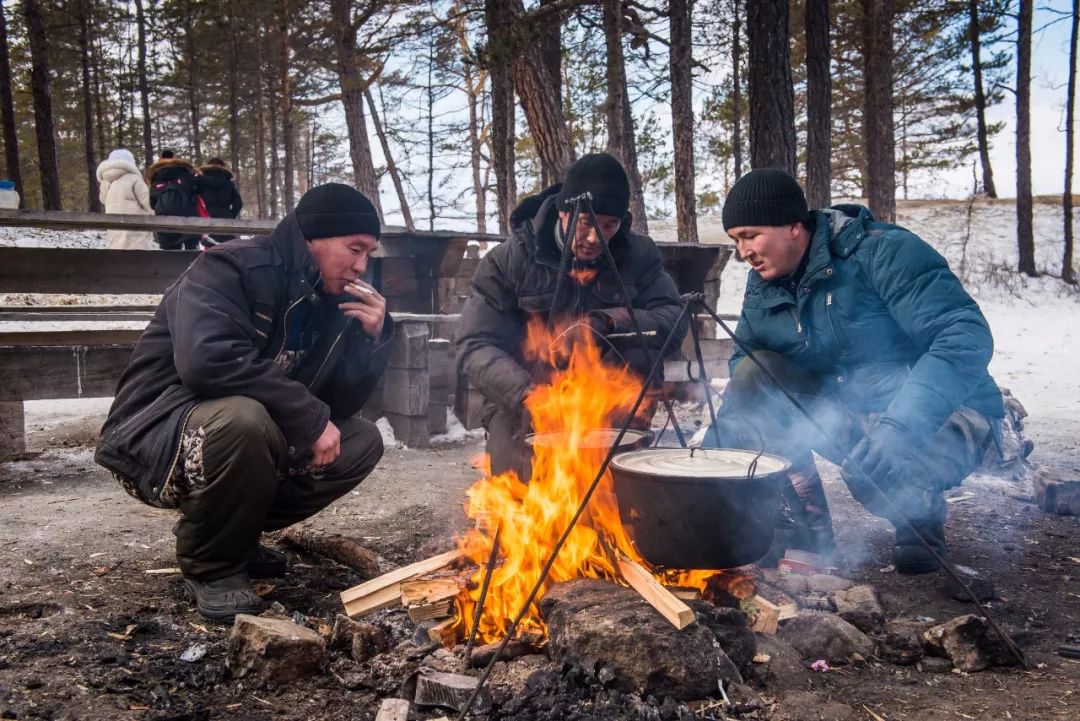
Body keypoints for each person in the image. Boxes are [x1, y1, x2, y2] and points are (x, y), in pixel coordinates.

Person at [96, 183, 394, 620]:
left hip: (240, 437)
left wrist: (371, 341)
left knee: (361, 441)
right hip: (158, 436)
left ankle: (231, 533)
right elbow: (207, 362)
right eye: (355, 249)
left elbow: (339, 407)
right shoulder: (231, 266)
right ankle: (212, 566)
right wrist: (309, 417)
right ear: (313, 236)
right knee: (243, 418)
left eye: (369, 254)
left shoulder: (331, 303)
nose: (361, 266)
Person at [708, 168, 1005, 574]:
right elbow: (747, 378)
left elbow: (965, 336)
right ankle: (807, 530)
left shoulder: (883, 252)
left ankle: (917, 512)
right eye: (735, 240)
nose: (743, 251)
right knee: (757, 376)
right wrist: (706, 468)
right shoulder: (763, 284)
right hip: (853, 412)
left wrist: (900, 427)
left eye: (750, 235)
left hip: (944, 413)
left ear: (794, 226)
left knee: (877, 476)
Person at [456, 152, 687, 478]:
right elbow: (474, 345)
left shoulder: (638, 255)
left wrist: (609, 320)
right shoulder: (509, 260)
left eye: (609, 226)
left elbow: (673, 318)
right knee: (517, 481)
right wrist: (529, 395)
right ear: (564, 212)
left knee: (612, 485)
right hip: (526, 395)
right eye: (586, 223)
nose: (595, 238)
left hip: (607, 394)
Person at [96, 148, 154, 250]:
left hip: (114, 231)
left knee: (118, 257)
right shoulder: (134, 179)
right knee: (139, 258)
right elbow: (147, 202)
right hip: (136, 231)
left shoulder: (105, 182)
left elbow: (103, 200)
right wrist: (157, 214)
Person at [146, 149, 200, 250]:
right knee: (191, 250)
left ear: (161, 160)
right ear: (174, 158)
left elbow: (152, 203)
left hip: (164, 218)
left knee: (169, 251)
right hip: (187, 218)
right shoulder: (186, 174)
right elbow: (195, 194)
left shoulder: (156, 178)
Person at [195, 157, 244, 245]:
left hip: (207, 220)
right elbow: (238, 203)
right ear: (223, 168)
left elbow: (194, 200)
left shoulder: (201, 181)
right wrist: (230, 216)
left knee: (208, 247)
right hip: (225, 220)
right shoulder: (229, 184)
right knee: (226, 248)